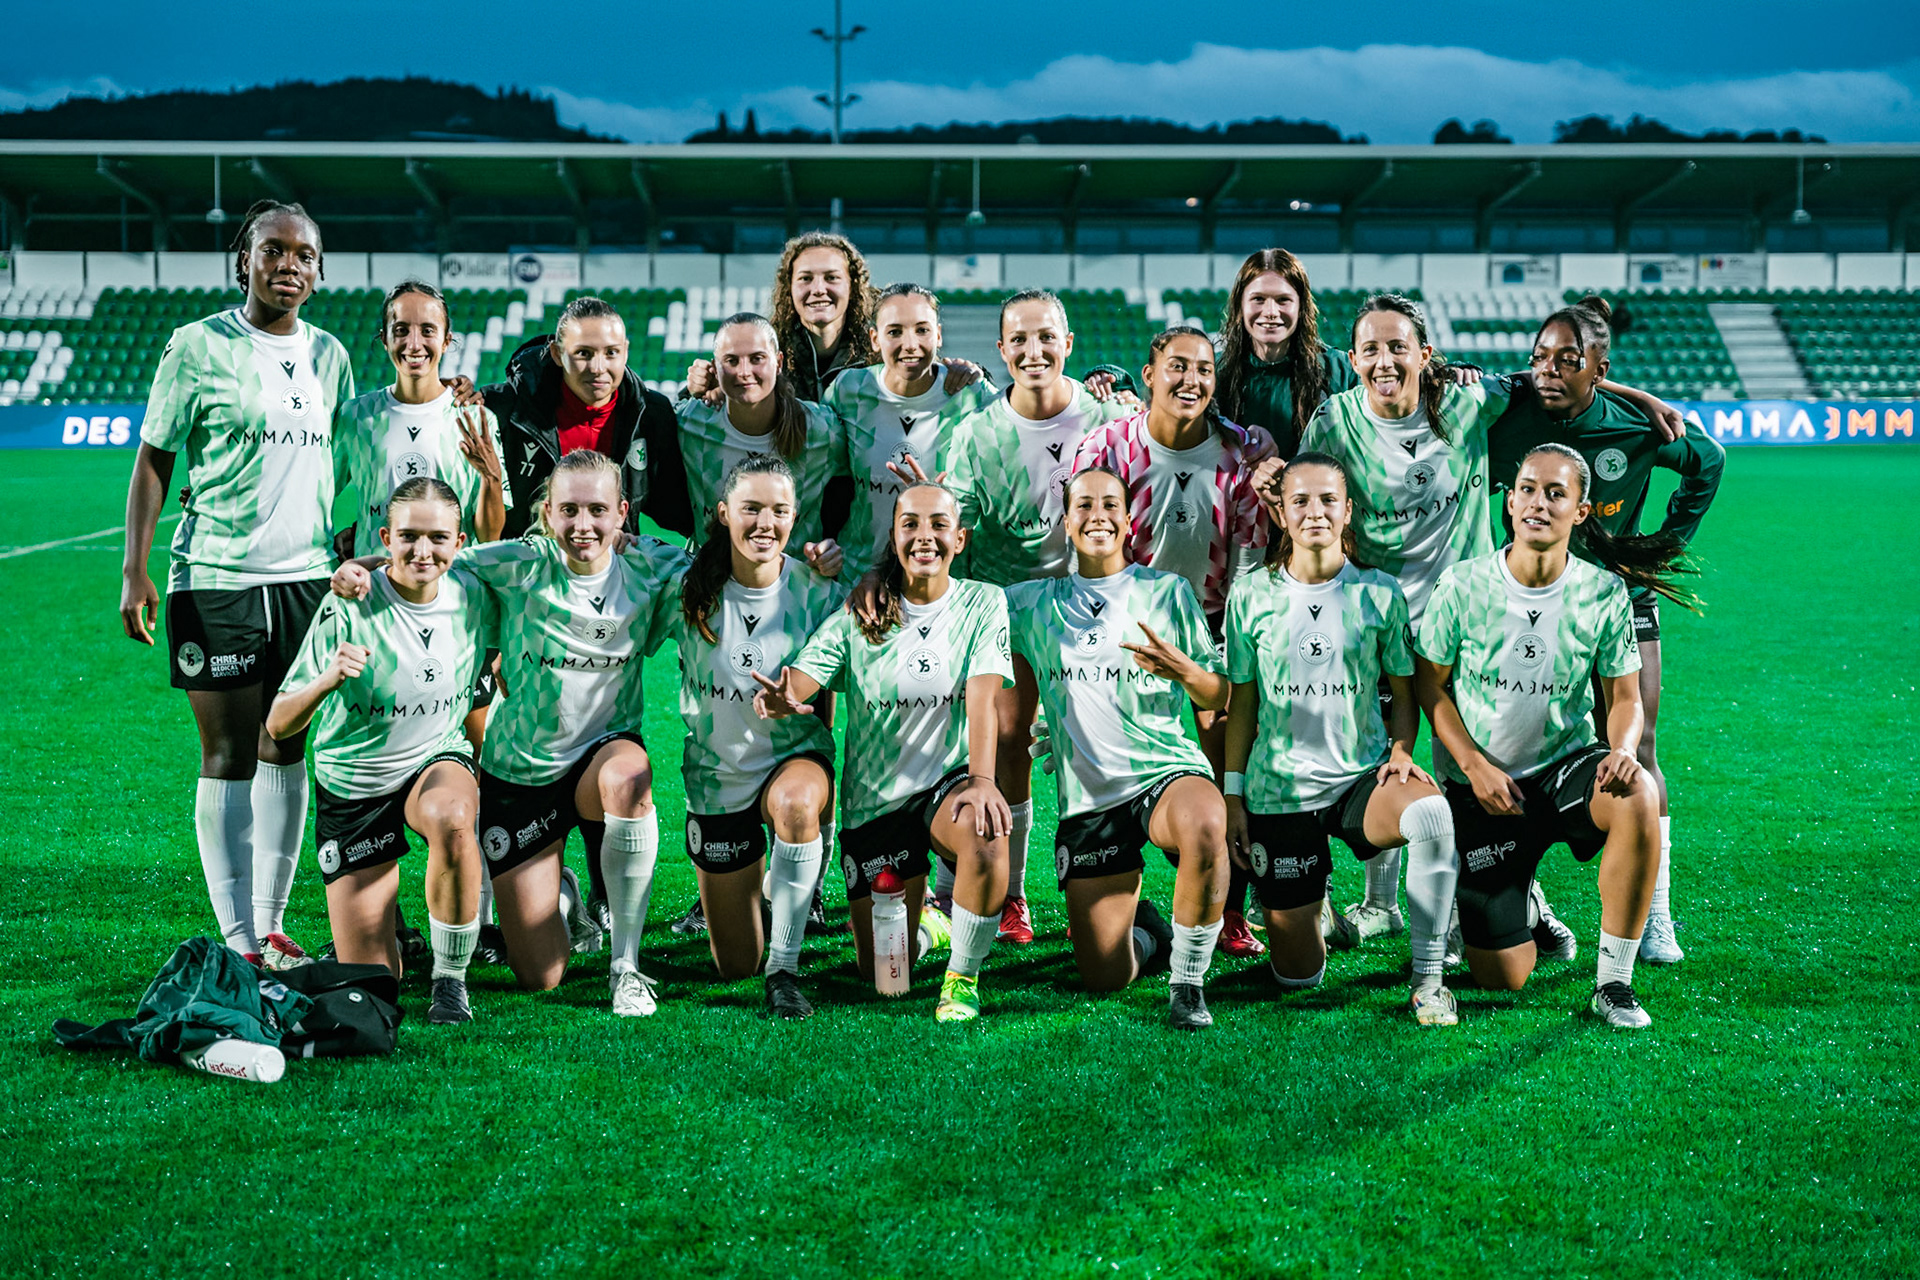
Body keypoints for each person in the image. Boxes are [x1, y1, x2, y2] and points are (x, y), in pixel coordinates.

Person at [335, 450, 687, 1014]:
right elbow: (435, 558)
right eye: (568, 510)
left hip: (602, 753)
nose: (583, 525)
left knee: (629, 777)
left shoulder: (651, 567)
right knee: (541, 975)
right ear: (546, 513)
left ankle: (627, 967)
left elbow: (733, 571)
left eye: (597, 510)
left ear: (623, 513)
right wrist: (370, 565)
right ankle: (565, 898)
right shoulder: (518, 561)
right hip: (521, 772)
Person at [119, 199, 355, 970]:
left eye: (305, 254)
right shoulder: (196, 346)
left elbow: (344, 464)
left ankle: (272, 924)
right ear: (243, 259)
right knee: (230, 755)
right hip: (216, 577)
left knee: (287, 745)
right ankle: (237, 942)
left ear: (319, 272)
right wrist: (135, 568)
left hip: (308, 580)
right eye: (274, 250)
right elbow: (155, 458)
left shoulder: (331, 357)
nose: (290, 265)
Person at [1415, 443, 1696, 1029]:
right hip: (1484, 785)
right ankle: (1528, 906)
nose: (1537, 502)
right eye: (1526, 489)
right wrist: (1473, 765)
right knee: (1502, 977)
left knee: (1638, 791)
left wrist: (1621, 750)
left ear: (1581, 512)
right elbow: (1431, 689)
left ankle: (1613, 983)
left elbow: (1624, 698)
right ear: (1509, 500)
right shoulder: (1462, 586)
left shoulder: (1602, 593)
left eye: (1555, 493)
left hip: (1566, 769)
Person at [1489, 297, 1725, 965]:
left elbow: (1709, 461)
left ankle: (1655, 917)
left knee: (1639, 743)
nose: (1550, 372)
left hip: (1621, 599)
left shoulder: (1633, 424)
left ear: (1599, 366)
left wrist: (1659, 545)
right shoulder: (1509, 412)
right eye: (1541, 358)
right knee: (1514, 749)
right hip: (1532, 601)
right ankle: (1520, 900)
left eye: (1570, 361)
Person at [1296, 294, 1519, 942]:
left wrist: (1649, 405)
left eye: (1399, 347)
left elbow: (1551, 387)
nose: (1385, 360)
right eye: (1371, 349)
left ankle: (1467, 908)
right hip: (1378, 619)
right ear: (1353, 359)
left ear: (1426, 355)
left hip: (1466, 621)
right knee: (1378, 756)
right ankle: (1380, 903)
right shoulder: (1333, 423)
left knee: (1464, 761)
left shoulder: (1467, 402)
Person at [753, 482, 1013, 1021]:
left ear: (960, 539)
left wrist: (984, 782)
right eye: (911, 524)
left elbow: (985, 699)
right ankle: (932, 927)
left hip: (949, 786)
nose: (925, 536)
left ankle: (962, 977)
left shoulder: (983, 603)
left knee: (987, 834)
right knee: (885, 978)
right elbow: (805, 676)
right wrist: (784, 698)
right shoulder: (862, 613)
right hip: (876, 805)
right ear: (893, 539)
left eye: (939, 525)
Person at [1222, 454, 1460, 1024]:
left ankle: (1429, 980)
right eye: (1300, 501)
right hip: (1280, 792)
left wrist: (1402, 750)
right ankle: (1315, 906)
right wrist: (1233, 795)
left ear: (1348, 510)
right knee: (1297, 977)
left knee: (1433, 815)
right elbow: (1243, 707)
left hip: (1359, 779)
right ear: (1280, 513)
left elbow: (1404, 694)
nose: (1315, 513)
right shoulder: (1250, 596)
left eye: (1328, 500)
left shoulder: (1379, 593)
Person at [935, 289, 1140, 945]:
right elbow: (952, 529)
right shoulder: (976, 436)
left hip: (1091, 609)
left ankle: (1108, 875)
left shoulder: (1109, 418)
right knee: (1012, 738)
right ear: (1001, 351)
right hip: (1008, 609)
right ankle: (1015, 893)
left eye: (1046, 336)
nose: (1033, 350)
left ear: (1069, 342)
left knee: (1099, 746)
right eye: (1019, 340)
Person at [1071, 324, 1269, 958]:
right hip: (1125, 637)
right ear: (1149, 374)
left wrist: (1231, 657)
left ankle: (1230, 907)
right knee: (1119, 765)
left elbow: (1249, 557)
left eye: (1204, 370)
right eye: (1177, 367)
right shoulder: (1106, 445)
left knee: (1227, 767)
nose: (1191, 381)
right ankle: (1114, 882)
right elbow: (1084, 544)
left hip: (1211, 629)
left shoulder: (1239, 454)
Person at [1007, 467, 1230, 1029]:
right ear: (1065, 522)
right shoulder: (1029, 603)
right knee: (1104, 975)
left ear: (1129, 520)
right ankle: (1152, 931)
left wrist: (1183, 670)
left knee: (1205, 822)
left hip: (1166, 773)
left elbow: (1220, 690)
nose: (1097, 515)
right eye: (1083, 506)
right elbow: (949, 603)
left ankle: (1188, 984)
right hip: (1091, 800)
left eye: (1110, 504)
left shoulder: (1166, 592)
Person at [266, 477, 491, 1022]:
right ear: (386, 537)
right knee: (374, 986)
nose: (423, 551)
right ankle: (386, 950)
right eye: (409, 537)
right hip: (355, 784)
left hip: (434, 760)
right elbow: (276, 725)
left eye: (439, 538)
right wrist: (325, 681)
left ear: (460, 543)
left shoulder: (477, 591)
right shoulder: (347, 604)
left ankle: (450, 979)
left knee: (454, 814)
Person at [668, 455, 847, 1019]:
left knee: (797, 804)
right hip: (717, 777)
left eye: (779, 510)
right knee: (734, 963)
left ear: (796, 518)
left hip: (794, 759)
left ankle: (785, 970)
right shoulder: (684, 588)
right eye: (751, 509)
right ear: (723, 514)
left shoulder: (818, 589)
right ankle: (777, 893)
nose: (764, 523)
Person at [334, 279, 510, 751]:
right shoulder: (356, 416)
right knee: (377, 739)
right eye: (401, 329)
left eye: (428, 330)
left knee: (480, 745)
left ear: (447, 340)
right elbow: (313, 491)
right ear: (384, 337)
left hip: (454, 606)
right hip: (375, 603)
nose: (415, 343)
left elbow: (488, 532)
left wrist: (492, 478)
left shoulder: (475, 419)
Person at [458, 296, 693, 542]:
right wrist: (450, 391)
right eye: (583, 353)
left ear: (625, 351)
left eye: (611, 352)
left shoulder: (651, 412)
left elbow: (679, 511)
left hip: (610, 569)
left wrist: (702, 397)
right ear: (557, 354)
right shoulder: (501, 407)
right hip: (525, 571)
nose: (598, 367)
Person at [823, 283, 996, 580]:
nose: (910, 343)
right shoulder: (848, 390)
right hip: (858, 574)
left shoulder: (970, 394)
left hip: (941, 579)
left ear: (939, 335)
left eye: (922, 330)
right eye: (894, 332)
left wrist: (1100, 378)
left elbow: (1026, 413)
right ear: (875, 339)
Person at [674, 313, 848, 564]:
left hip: (794, 591)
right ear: (715, 366)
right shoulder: (689, 424)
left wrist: (831, 549)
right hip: (712, 590)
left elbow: (864, 487)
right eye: (731, 361)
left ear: (778, 363)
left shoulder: (822, 431)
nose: (744, 372)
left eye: (757, 359)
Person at [1214, 249, 1361, 458]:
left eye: (1283, 300)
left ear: (1301, 307)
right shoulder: (1213, 373)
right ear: (1240, 306)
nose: (1271, 312)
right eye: (1258, 299)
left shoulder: (1342, 371)